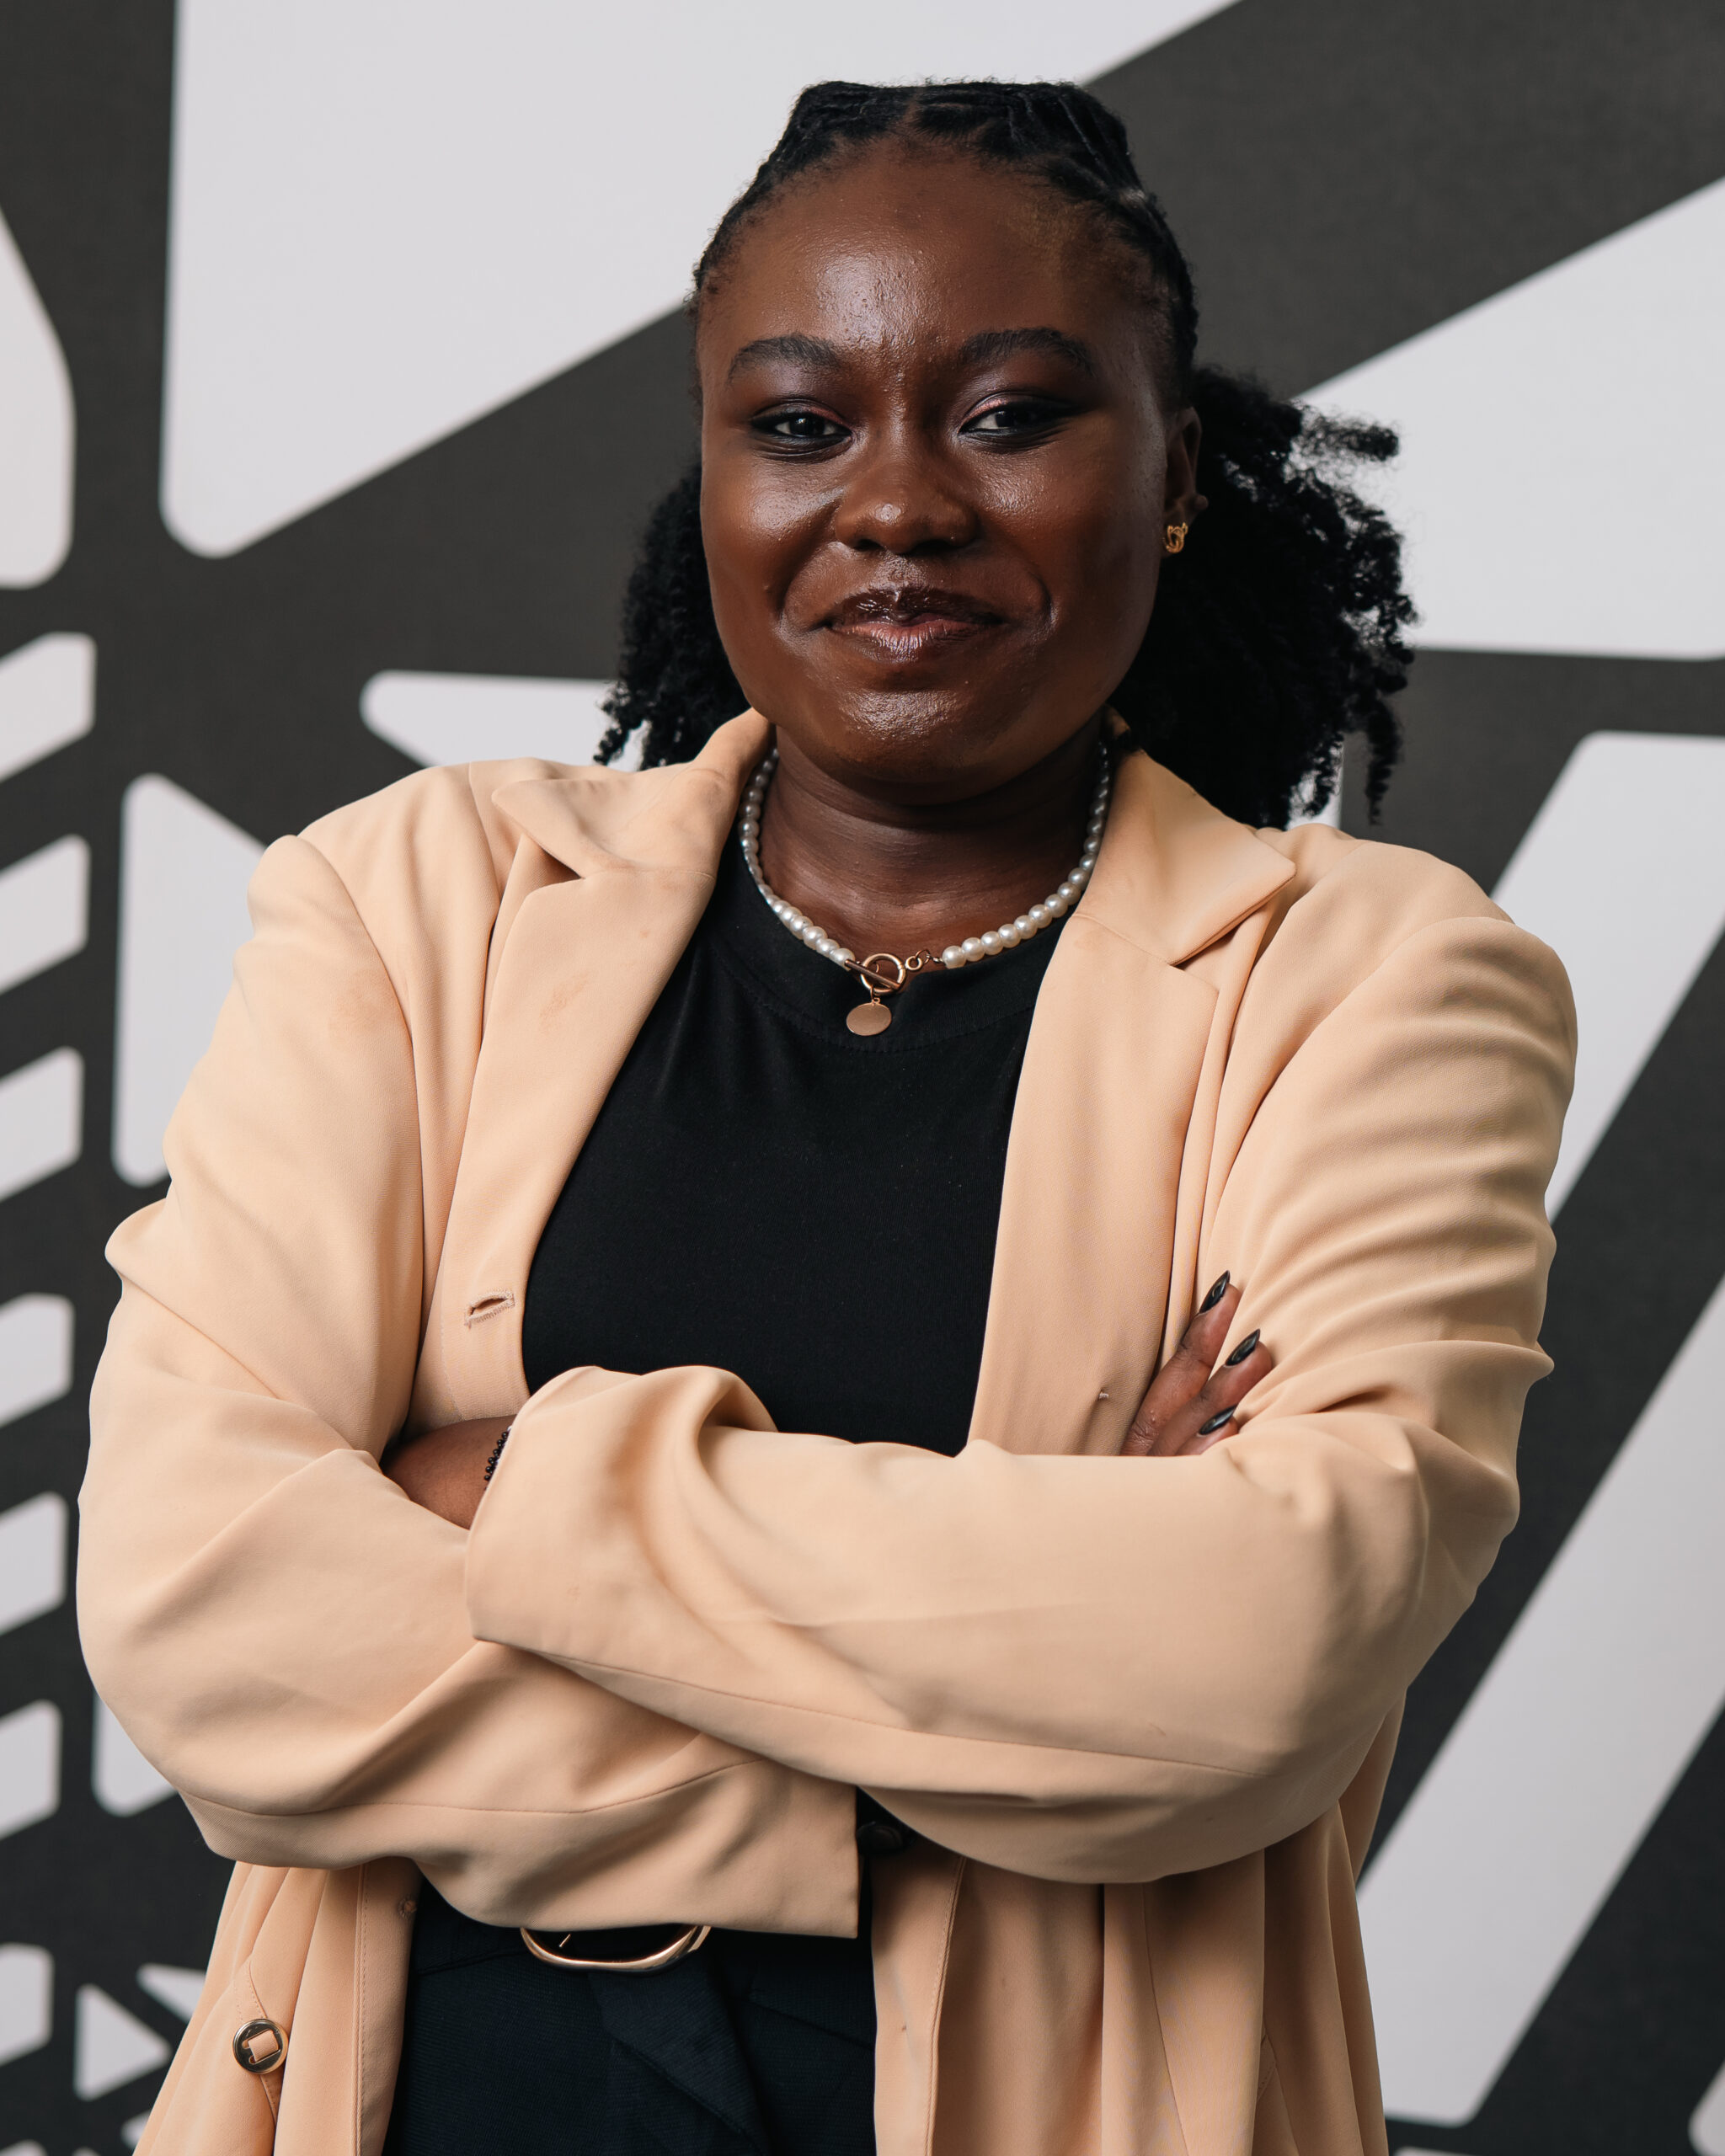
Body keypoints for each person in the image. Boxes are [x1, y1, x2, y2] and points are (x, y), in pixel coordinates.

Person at [80, 80, 1573, 2156]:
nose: (895, 504)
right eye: (798, 422)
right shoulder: (415, 903)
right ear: (712, 474)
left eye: (1009, 414)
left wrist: (512, 1482)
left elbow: (1253, 1661)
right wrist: (1000, 1692)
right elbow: (201, 1613)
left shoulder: (1376, 982)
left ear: (1170, 478)